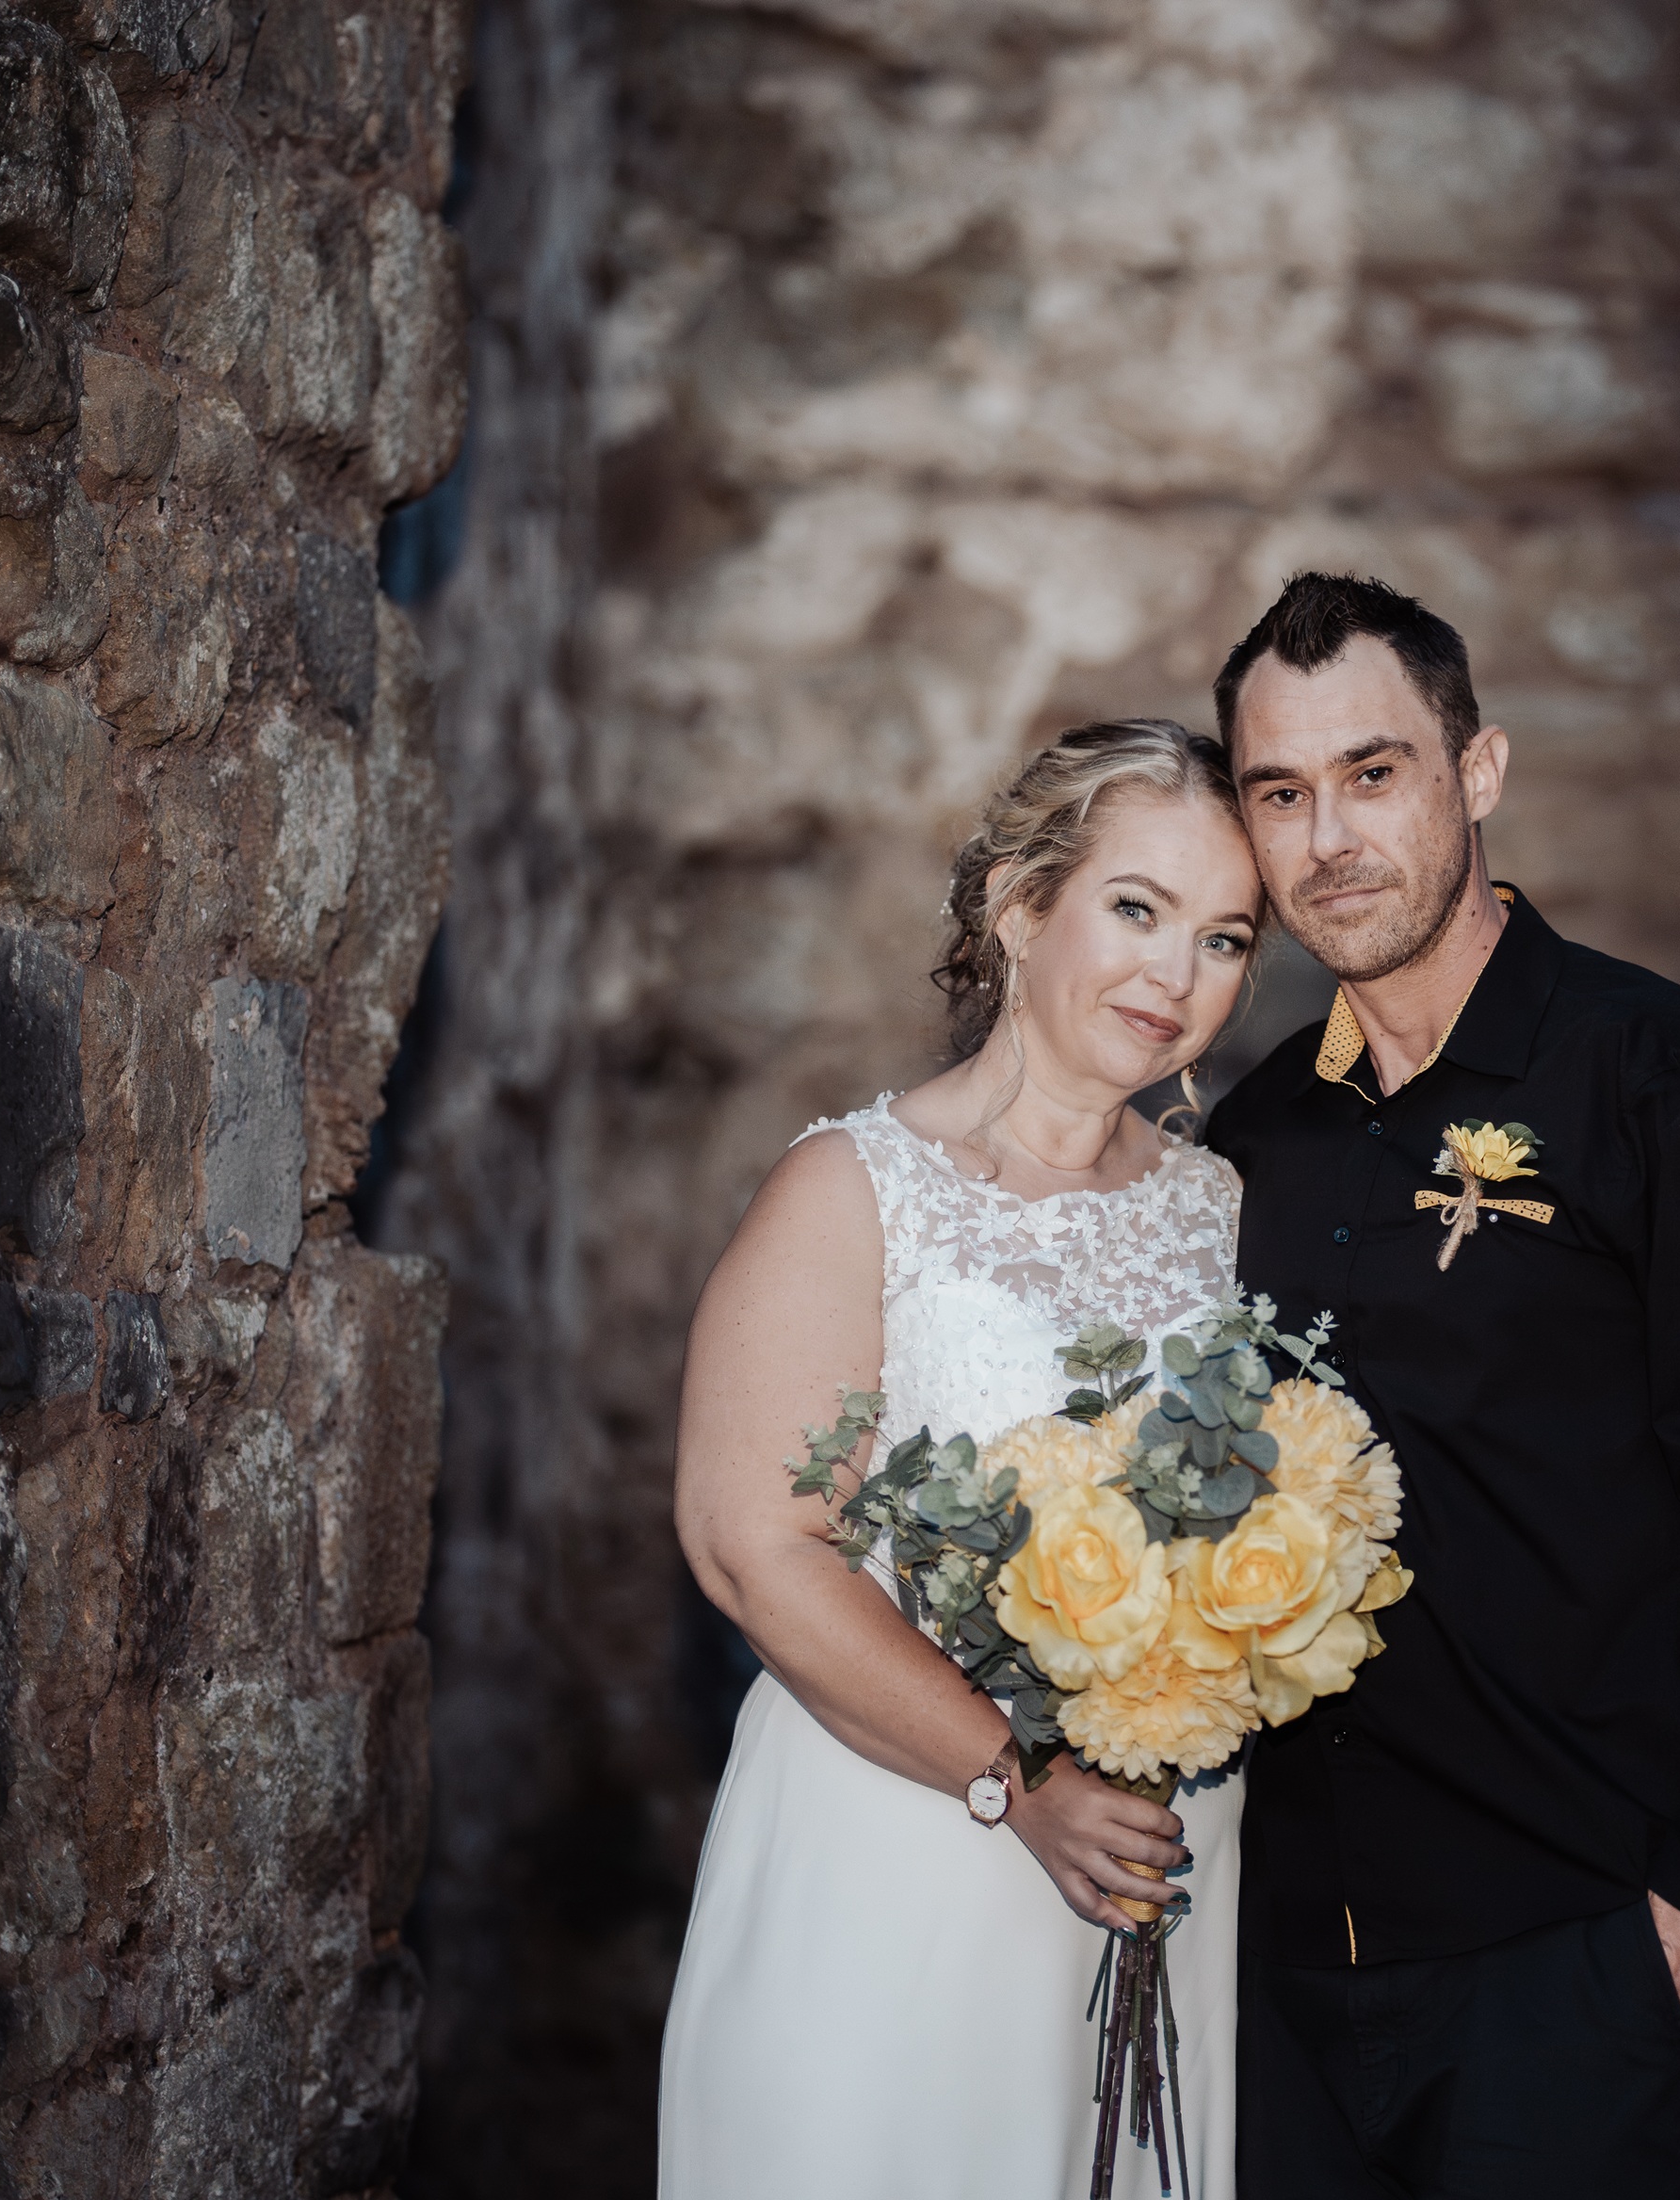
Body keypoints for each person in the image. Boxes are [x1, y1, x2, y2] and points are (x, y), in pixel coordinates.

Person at [1203, 574, 1680, 2199]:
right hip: (1275, 1975)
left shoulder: (1678, 1082)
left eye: (1375, 774)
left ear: (1480, 771)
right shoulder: (1248, 1148)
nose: (1331, 839)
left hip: (1569, 1954)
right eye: (1280, 795)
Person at [662, 720, 1268, 2197]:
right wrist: (1022, 1780)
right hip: (905, 1846)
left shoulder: (1233, 1209)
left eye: (1226, 937)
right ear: (1018, 906)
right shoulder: (853, 1188)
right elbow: (753, 1542)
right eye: (1137, 910)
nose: (1176, 979)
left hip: (1161, 1868)